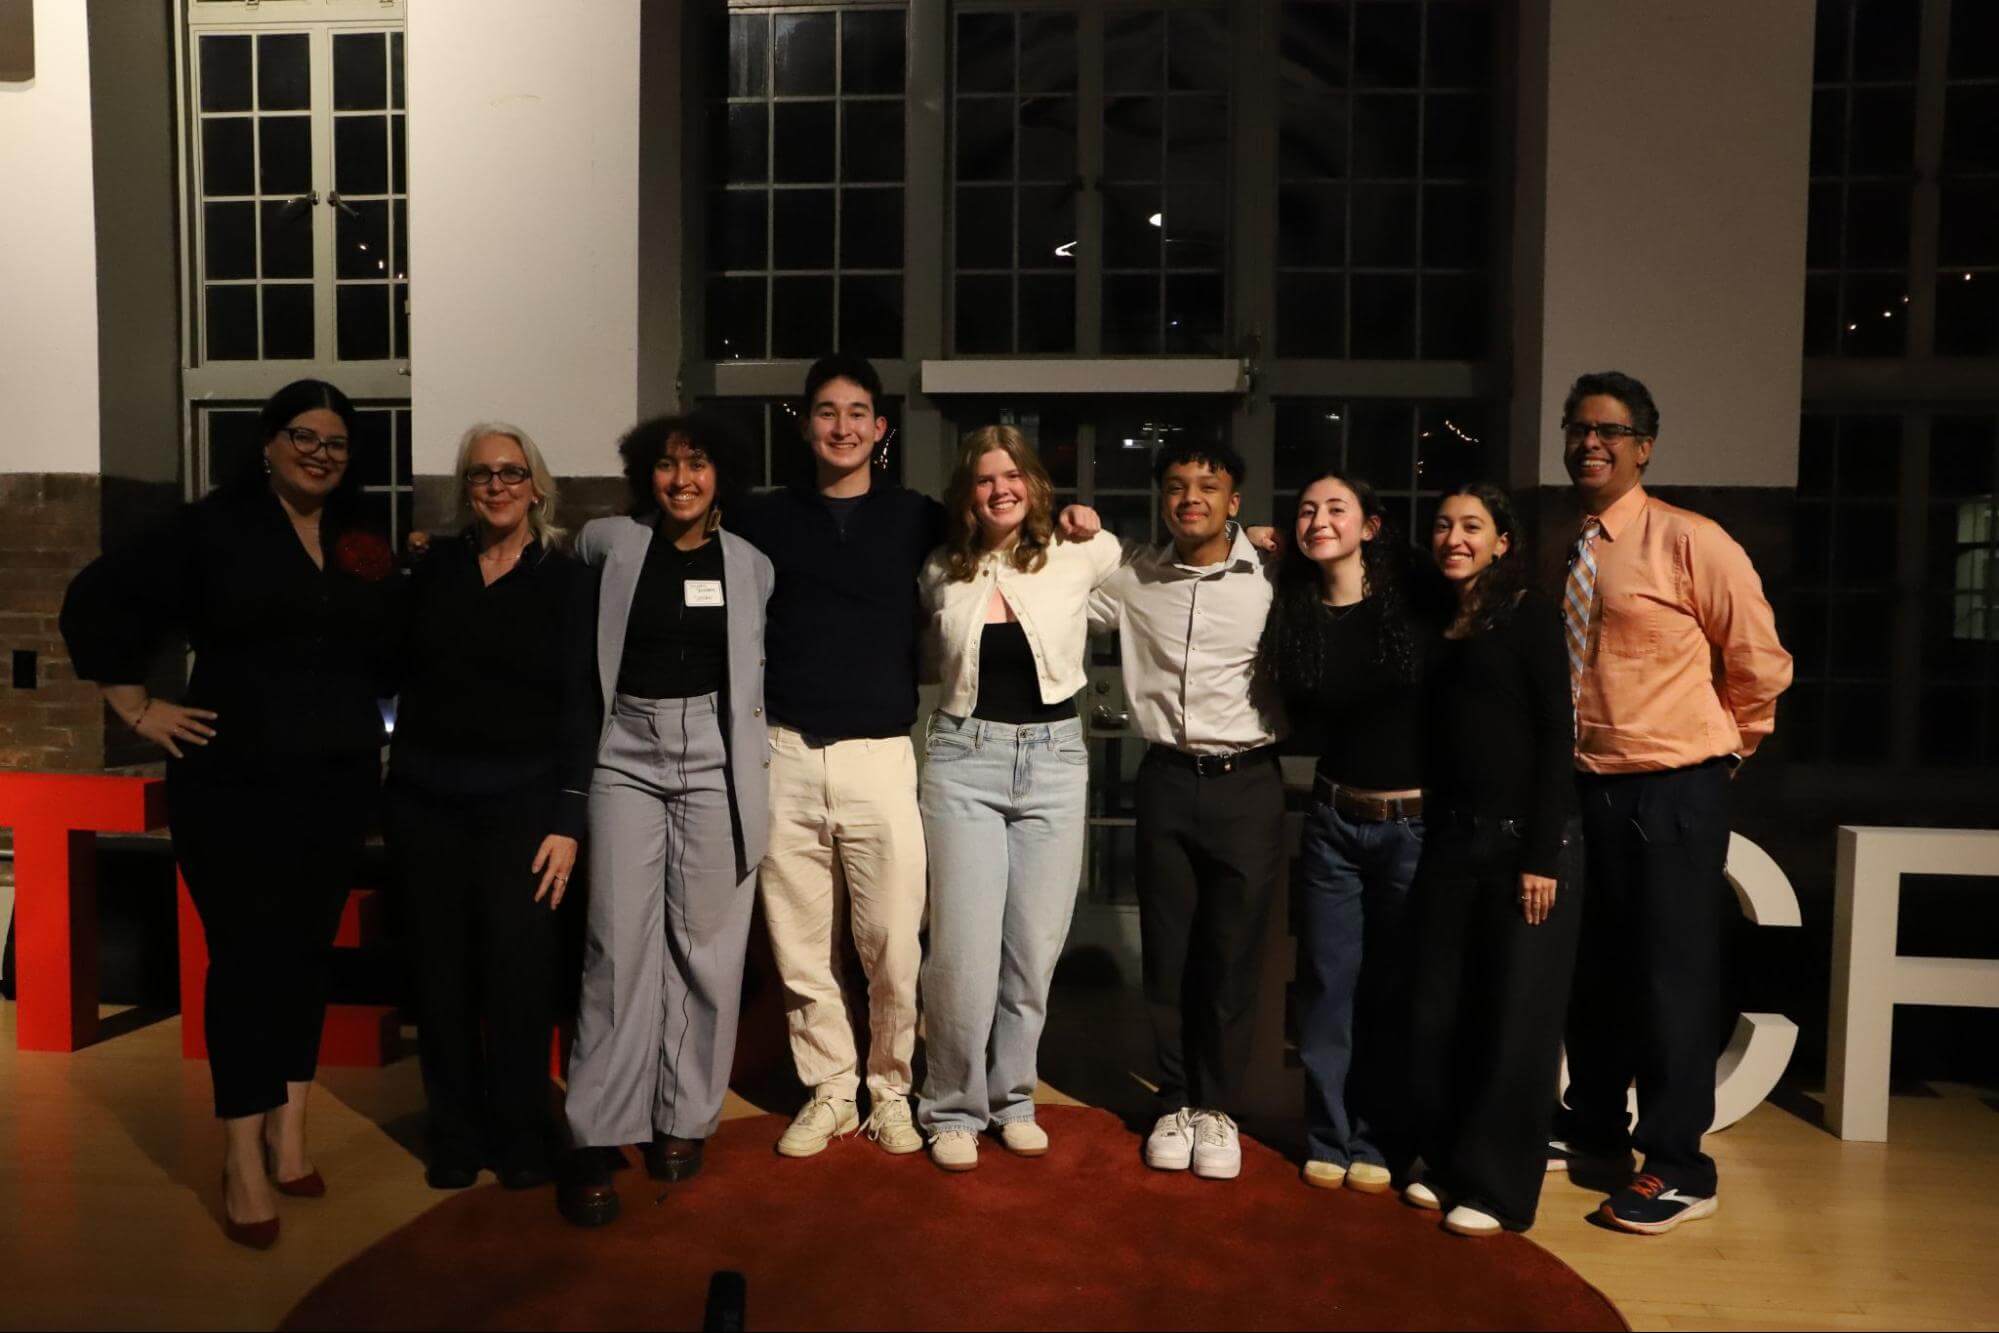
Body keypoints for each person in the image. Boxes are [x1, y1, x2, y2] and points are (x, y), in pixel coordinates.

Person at [59, 379, 400, 1249]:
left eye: (335, 441)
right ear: (267, 442)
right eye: (303, 437)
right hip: (235, 782)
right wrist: (137, 708)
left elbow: (389, 642)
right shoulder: (212, 526)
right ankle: (241, 1152)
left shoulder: (362, 533)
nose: (319, 454)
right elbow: (101, 595)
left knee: (301, 956)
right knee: (249, 960)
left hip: (334, 781)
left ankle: (291, 1128)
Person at [1549, 371, 1792, 1235]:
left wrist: (1726, 747)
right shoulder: (1571, 544)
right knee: (1596, 971)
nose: (1589, 443)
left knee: (1670, 980)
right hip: (1588, 787)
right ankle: (1595, 1131)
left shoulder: (1691, 540)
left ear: (1643, 447)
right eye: (1577, 428)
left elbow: (1759, 660)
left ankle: (1680, 1163)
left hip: (1672, 788)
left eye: (1608, 431)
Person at [557, 413, 774, 1226]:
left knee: (708, 946)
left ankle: (682, 1117)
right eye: (667, 465)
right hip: (626, 751)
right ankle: (596, 1131)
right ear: (645, 473)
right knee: (616, 944)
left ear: (724, 475)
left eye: (698, 464)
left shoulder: (752, 565)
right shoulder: (610, 542)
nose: (682, 479)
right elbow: (560, 558)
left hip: (716, 755)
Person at [725, 355, 945, 1160]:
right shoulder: (762, 518)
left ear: (881, 429)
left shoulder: (918, 516)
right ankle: (828, 1088)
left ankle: (891, 1089)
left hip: (881, 755)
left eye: (858, 412)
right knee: (799, 943)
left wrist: (1077, 529)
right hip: (783, 751)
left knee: (893, 943)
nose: (842, 426)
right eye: (826, 411)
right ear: (805, 424)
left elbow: (1006, 543)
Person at [385, 422, 596, 1193]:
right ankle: (453, 1133)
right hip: (427, 802)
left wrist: (568, 820)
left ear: (536, 485)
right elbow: (389, 666)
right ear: (464, 487)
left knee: (518, 976)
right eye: (481, 475)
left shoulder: (569, 582)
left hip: (525, 806)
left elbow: (581, 705)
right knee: (439, 978)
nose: (497, 486)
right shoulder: (432, 570)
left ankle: (520, 1133)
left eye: (511, 473)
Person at [915, 426, 1122, 1172]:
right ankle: (951, 1105)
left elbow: (1131, 572)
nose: (999, 488)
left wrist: (1092, 522)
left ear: (1035, 484)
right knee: (962, 953)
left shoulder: (1075, 555)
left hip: (1056, 763)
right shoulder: (943, 567)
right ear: (966, 493)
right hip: (963, 761)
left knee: (1032, 949)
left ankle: (1014, 1099)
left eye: (1012, 475)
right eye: (983, 478)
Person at [1084, 441, 1282, 1182]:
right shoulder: (1132, 578)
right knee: (1166, 951)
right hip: (1165, 777)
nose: (1189, 497)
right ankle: (1172, 1099)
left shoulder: (1272, 575)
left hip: (1247, 782)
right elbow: (1059, 585)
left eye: (1207, 485)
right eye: (1175, 486)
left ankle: (1217, 1107)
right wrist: (1079, 525)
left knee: (1230, 956)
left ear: (1235, 501)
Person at [1402, 482, 1581, 1237]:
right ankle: (1445, 1162)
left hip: (1521, 847)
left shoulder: (1530, 614)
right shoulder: (1440, 617)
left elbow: (1553, 736)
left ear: (1502, 540)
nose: (1454, 537)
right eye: (1443, 525)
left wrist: (1540, 854)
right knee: (1445, 1010)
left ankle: (1500, 1189)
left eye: (1472, 526)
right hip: (1450, 838)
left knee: (1515, 1020)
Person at [1257, 471, 1430, 1196]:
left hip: (1411, 824)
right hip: (1333, 819)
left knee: (1395, 989)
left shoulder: (1409, 597)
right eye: (1305, 509)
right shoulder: (1295, 609)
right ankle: (1328, 1134)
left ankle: (1381, 1137)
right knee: (1328, 983)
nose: (1317, 519)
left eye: (1335, 508)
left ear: (1370, 525)